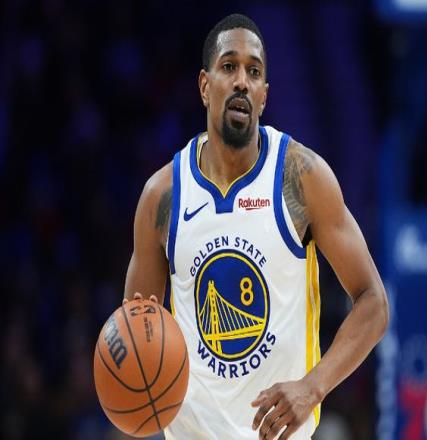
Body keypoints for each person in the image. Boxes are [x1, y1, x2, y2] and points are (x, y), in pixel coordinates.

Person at [123, 13, 388, 440]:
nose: (242, 81)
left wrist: (313, 387)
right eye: (229, 66)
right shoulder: (162, 196)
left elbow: (373, 302)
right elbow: (138, 340)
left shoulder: (302, 177)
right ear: (205, 86)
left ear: (264, 96)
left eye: (254, 72)